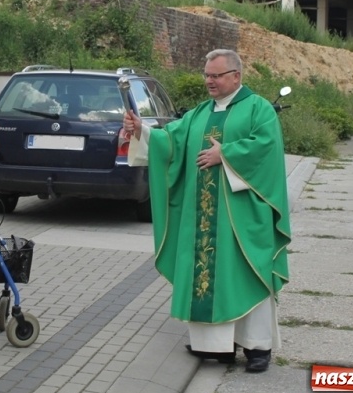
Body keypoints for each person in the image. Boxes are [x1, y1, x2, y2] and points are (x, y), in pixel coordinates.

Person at [122, 49, 291, 373]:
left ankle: (257, 348)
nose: (209, 81)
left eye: (216, 75)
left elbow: (266, 148)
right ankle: (217, 347)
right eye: (207, 75)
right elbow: (170, 141)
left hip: (241, 219)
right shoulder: (200, 113)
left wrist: (225, 154)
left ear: (236, 76)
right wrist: (142, 129)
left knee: (245, 274)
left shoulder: (259, 109)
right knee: (205, 274)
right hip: (202, 218)